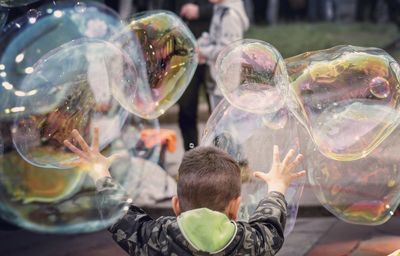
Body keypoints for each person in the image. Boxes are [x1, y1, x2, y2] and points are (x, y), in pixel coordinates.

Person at [63, 128, 306, 255]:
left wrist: (100, 174)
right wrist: (277, 186)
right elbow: (270, 224)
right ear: (235, 206)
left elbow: (120, 217)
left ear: (176, 204)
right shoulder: (250, 242)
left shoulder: (157, 238)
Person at [163, 0, 214, 151]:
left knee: (218, 111)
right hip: (183, 55)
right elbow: (166, 11)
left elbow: (230, 6)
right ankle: (191, 157)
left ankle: (223, 160)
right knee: (186, 111)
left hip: (212, 54)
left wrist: (200, 11)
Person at [197, 0, 249, 110]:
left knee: (223, 120)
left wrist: (203, 51)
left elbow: (227, 50)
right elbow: (214, 38)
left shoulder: (230, 15)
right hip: (218, 77)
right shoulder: (220, 9)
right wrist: (199, 45)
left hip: (226, 81)